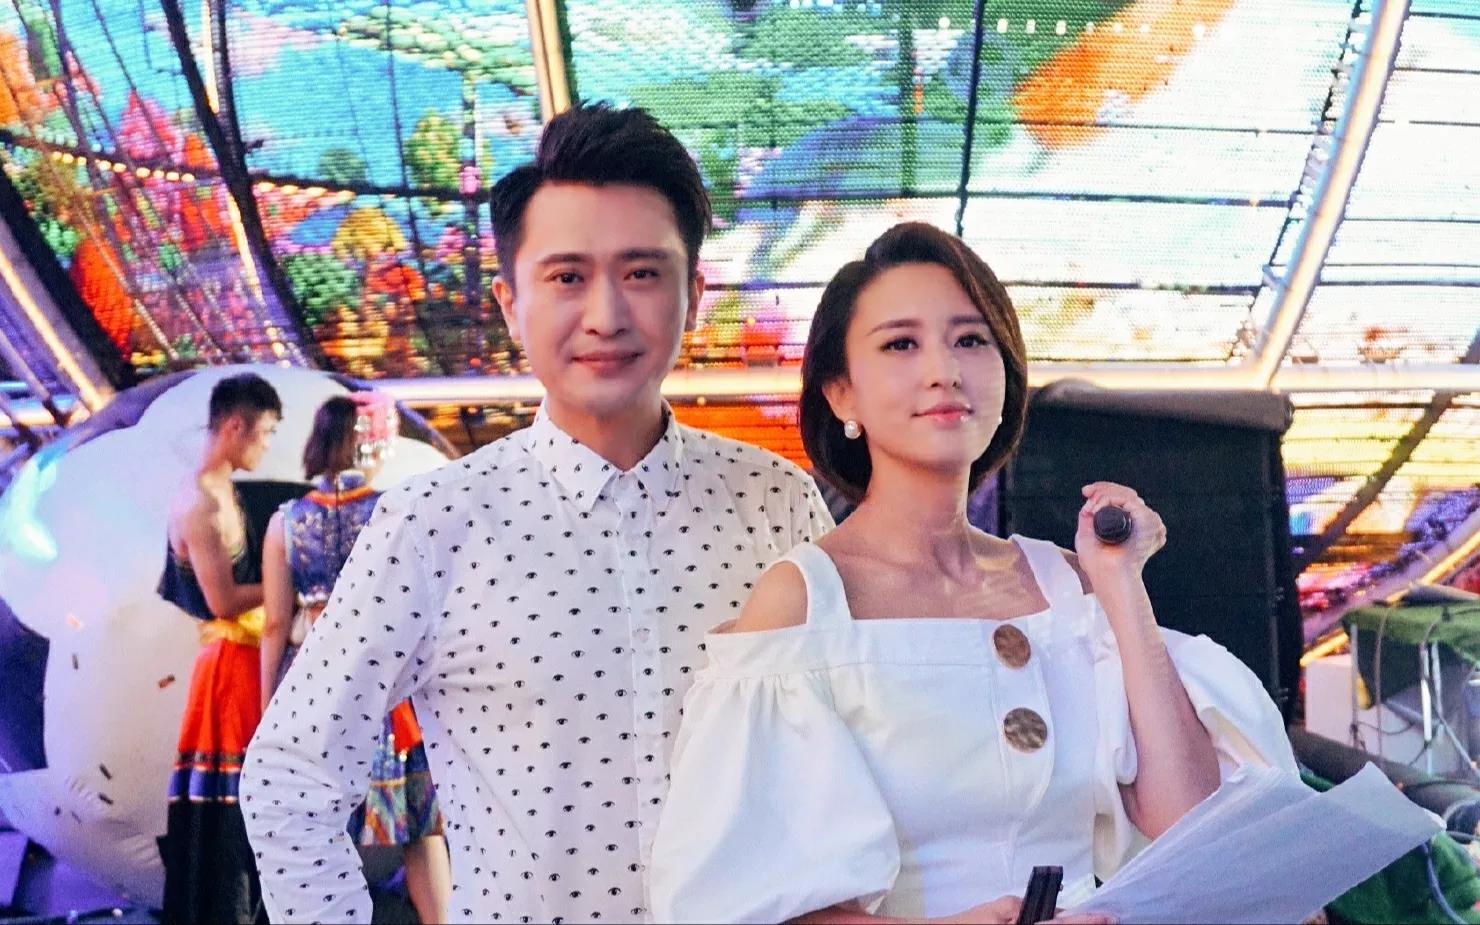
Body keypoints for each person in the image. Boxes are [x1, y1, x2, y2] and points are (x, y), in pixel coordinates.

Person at [240, 101, 834, 924]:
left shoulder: (775, 501)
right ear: (510, 303)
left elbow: (838, 760)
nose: (606, 315)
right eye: (566, 277)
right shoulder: (432, 522)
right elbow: (290, 774)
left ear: (693, 294)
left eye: (642, 272)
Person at [648, 223, 1298, 924]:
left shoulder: (1067, 582)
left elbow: (1189, 825)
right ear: (841, 394)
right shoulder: (804, 603)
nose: (944, 370)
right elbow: (744, 907)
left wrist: (1122, 587)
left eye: (970, 340)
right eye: (901, 344)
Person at [258, 392, 451, 924]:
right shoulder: (394, 511)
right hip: (387, 688)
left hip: (312, 688)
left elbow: (274, 624)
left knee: (312, 832)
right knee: (420, 830)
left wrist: (268, 710)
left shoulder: (285, 521)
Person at [158, 371, 282, 924]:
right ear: (235, 426)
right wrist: (289, 582)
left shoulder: (221, 492)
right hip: (230, 669)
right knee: (232, 816)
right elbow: (224, 601)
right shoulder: (201, 503)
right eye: (266, 432)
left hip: (245, 661)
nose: (267, 445)